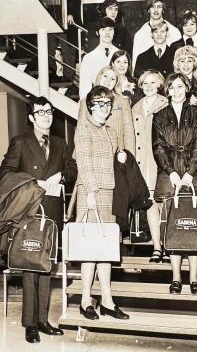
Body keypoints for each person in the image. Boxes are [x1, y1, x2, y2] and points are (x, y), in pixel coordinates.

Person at [0, 96, 77, 343]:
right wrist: (35, 183)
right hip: (30, 212)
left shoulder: (60, 143)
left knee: (46, 266)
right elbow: (6, 173)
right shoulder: (20, 142)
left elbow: (72, 169)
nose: (46, 115)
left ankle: (43, 320)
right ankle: (29, 324)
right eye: (40, 112)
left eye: (49, 111)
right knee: (29, 266)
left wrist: (62, 177)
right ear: (31, 117)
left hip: (53, 212)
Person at [75, 85, 129, 321]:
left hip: (110, 193)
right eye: (99, 104)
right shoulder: (84, 128)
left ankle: (107, 299)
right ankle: (85, 299)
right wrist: (90, 194)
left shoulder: (111, 131)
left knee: (106, 249)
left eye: (107, 104)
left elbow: (113, 158)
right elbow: (84, 163)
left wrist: (120, 155)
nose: (104, 108)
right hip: (91, 192)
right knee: (89, 249)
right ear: (90, 106)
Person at [152, 73, 197, 295]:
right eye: (171, 87)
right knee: (174, 226)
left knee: (193, 224)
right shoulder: (159, 116)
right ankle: (176, 277)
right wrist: (172, 172)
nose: (175, 91)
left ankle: (194, 278)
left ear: (186, 88)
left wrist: (189, 173)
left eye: (179, 86)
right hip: (169, 175)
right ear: (167, 91)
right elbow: (158, 146)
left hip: (193, 173)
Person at [132, 70, 168, 262]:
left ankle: (169, 243)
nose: (148, 86)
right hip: (142, 162)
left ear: (159, 85)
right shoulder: (135, 107)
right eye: (145, 83)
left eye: (153, 83)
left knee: (165, 204)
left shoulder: (166, 103)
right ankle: (157, 246)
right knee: (151, 204)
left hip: (161, 162)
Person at [48, 0, 82, 82]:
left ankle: (68, 77)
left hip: (66, 24)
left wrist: (69, 13)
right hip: (52, 21)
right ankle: (53, 74)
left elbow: (75, 1)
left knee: (68, 50)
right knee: (49, 49)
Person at [132, 0, 181, 70]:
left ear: (163, 10)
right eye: (152, 7)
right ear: (148, 10)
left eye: (159, 7)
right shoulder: (140, 35)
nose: (156, 10)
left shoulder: (174, 32)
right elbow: (135, 62)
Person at [79, 17, 119, 99]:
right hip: (97, 100)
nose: (107, 33)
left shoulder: (121, 55)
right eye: (103, 29)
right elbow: (84, 88)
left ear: (114, 32)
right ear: (97, 33)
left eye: (110, 29)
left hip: (117, 100)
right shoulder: (88, 58)